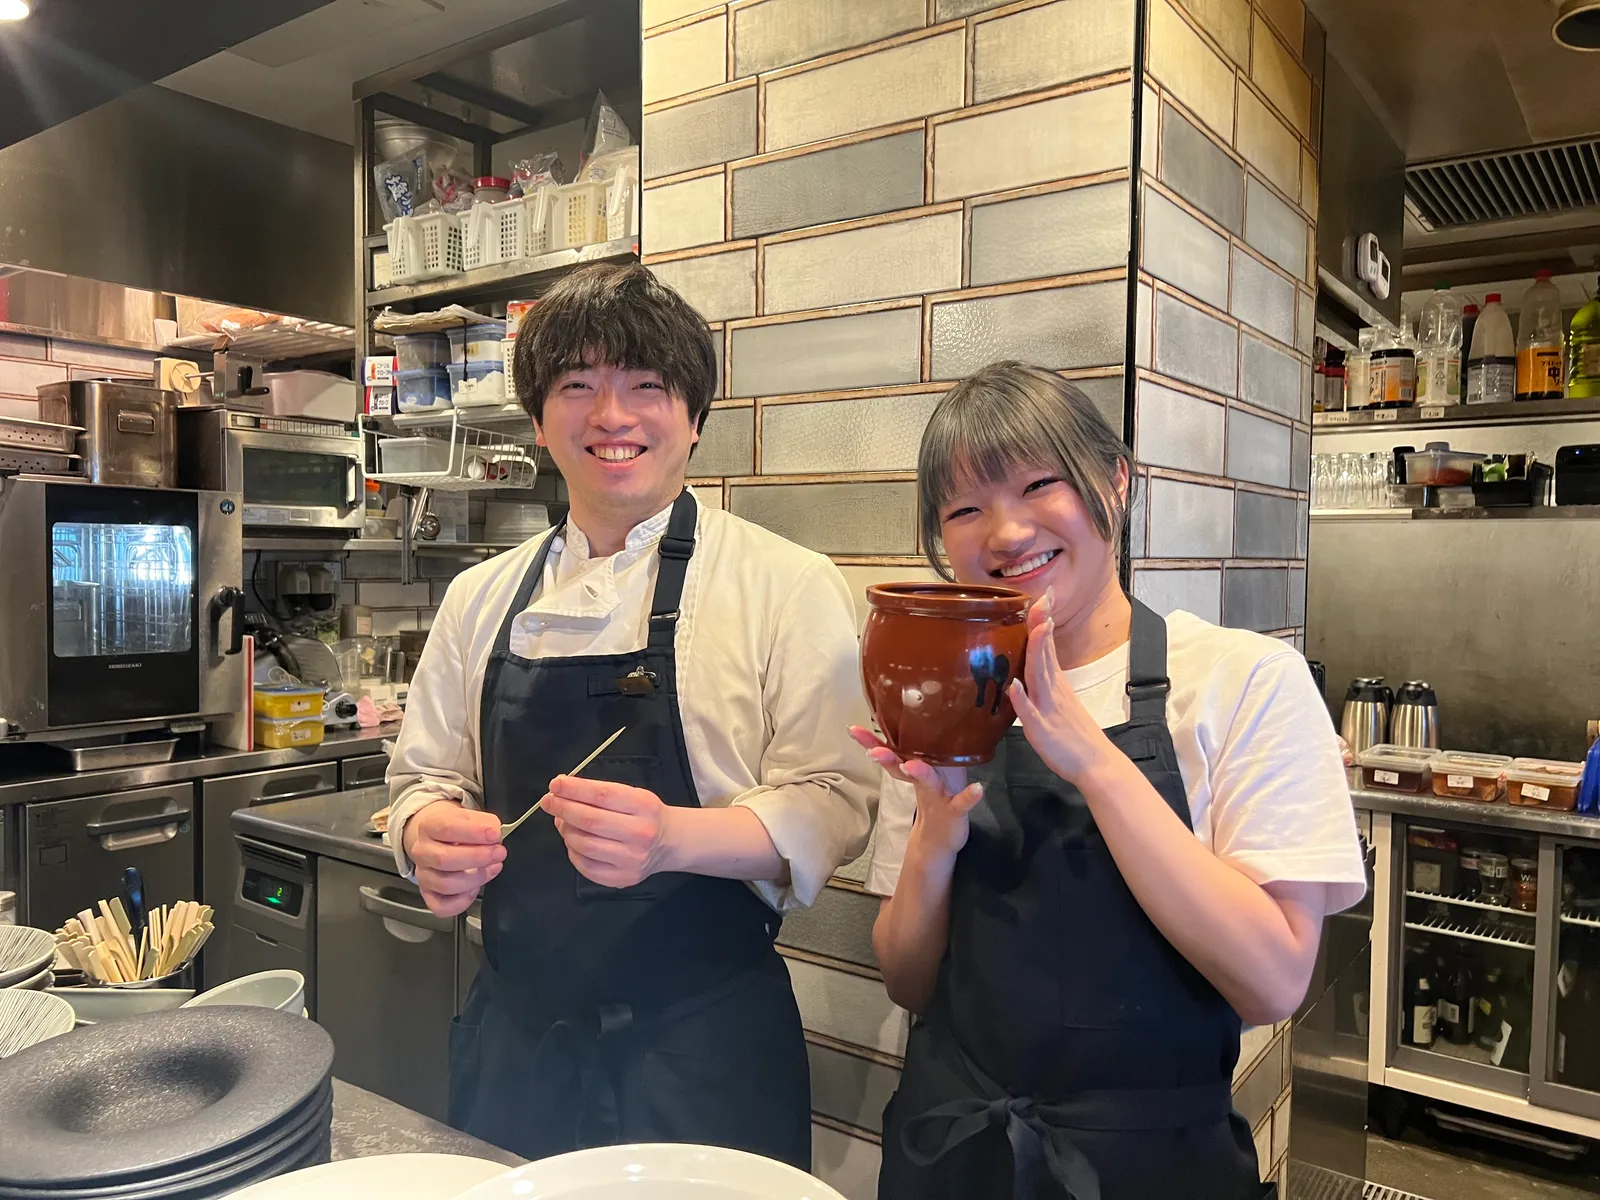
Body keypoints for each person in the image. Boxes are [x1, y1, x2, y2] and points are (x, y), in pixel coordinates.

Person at [388, 263, 876, 1166]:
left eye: (646, 385)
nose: (612, 416)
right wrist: (427, 835)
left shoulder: (785, 585)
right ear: (539, 421)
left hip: (702, 1051)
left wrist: (672, 840)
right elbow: (423, 778)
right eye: (578, 386)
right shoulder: (478, 597)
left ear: (694, 415)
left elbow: (837, 803)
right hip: (516, 1046)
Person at [852, 362, 1366, 1199]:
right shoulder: (940, 695)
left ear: (1114, 480)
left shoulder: (1244, 679)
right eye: (966, 508)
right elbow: (908, 981)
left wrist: (1095, 761)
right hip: (953, 1157)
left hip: (1151, 1167)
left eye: (1038, 484)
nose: (1007, 532)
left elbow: (1273, 980)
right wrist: (935, 835)